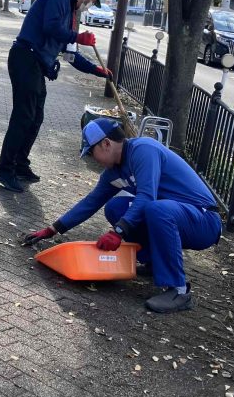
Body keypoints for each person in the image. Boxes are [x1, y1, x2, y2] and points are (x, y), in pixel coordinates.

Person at [22, 117, 222, 313]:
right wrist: (52, 229)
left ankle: (179, 290)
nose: (93, 159)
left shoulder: (144, 150)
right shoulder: (114, 171)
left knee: (155, 209)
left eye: (91, 152)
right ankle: (154, 263)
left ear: (106, 144)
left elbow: (147, 196)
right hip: (172, 215)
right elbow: (91, 202)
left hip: (204, 220)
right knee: (115, 207)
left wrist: (118, 232)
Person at [0, 0, 114, 192]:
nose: (88, 6)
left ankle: (20, 164)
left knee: (35, 117)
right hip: (25, 57)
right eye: (92, 1)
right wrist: (78, 37)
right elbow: (50, 27)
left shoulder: (70, 13)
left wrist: (96, 70)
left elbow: (70, 55)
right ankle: (5, 168)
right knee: (24, 116)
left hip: (35, 65)